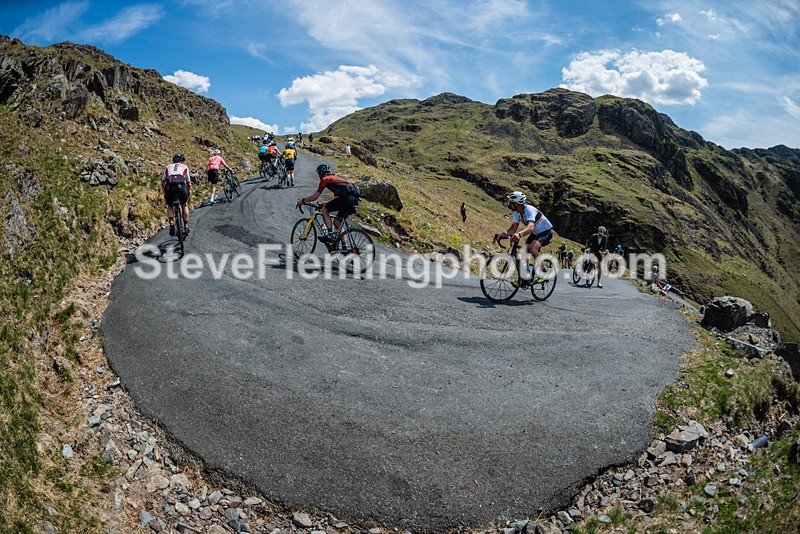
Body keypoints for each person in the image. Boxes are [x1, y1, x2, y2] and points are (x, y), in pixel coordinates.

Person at [495, 191, 554, 282]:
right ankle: (524, 277)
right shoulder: (516, 213)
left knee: (532, 248)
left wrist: (519, 234)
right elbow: (513, 228)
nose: (509, 204)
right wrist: (501, 234)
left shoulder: (529, 210)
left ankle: (544, 274)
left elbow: (530, 226)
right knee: (524, 251)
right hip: (536, 232)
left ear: (516, 203)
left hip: (546, 231)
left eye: (511, 202)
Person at [296, 164, 360, 243]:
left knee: (324, 210)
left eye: (319, 174)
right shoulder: (336, 179)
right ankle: (344, 247)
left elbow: (315, 196)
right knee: (337, 223)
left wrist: (302, 200)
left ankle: (330, 235)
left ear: (321, 173)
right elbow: (337, 199)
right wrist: (324, 202)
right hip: (352, 201)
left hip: (345, 199)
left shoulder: (325, 179)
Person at [162, 153, 191, 236]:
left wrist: (165, 193)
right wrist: (188, 192)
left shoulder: (168, 167)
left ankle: (171, 224)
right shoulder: (184, 167)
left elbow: (163, 182)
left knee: (170, 205)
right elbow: (188, 183)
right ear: (182, 161)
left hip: (170, 188)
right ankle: (186, 226)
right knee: (184, 205)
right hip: (181, 187)